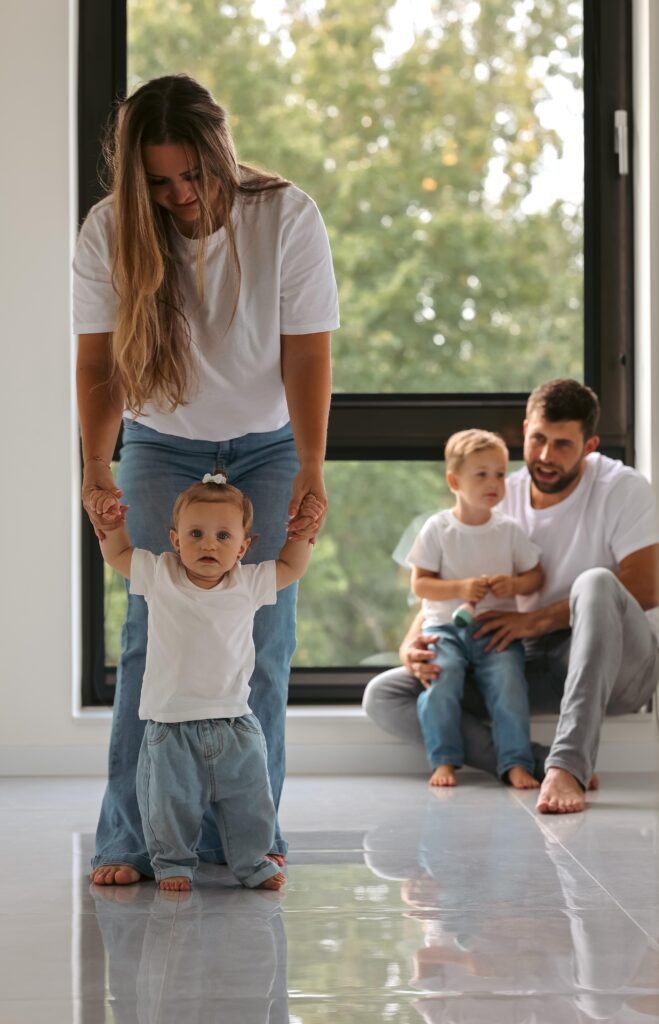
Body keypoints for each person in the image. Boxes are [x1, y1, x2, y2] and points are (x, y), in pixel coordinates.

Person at [74, 73, 339, 884]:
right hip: (160, 438)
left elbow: (305, 350)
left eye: (193, 175)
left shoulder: (284, 215)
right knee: (151, 636)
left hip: (266, 444)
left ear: (220, 154)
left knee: (263, 640)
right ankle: (128, 838)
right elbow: (97, 367)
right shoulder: (111, 229)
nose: (181, 196)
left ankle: (246, 839)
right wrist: (94, 465)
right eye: (159, 182)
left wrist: (310, 461)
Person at [363, 379, 659, 814]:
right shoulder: (501, 490)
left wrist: (535, 620)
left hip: (621, 667)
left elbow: (648, 585)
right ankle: (527, 760)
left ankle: (568, 766)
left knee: (595, 582)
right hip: (529, 658)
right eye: (538, 438)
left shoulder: (623, 488)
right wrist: (414, 640)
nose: (544, 455)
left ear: (590, 445)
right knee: (386, 696)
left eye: (562, 444)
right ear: (524, 429)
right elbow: (453, 575)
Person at [97, 473, 322, 891]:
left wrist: (303, 534)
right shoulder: (162, 574)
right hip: (170, 725)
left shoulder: (248, 582)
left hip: (235, 721)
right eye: (195, 533)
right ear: (175, 540)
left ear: (243, 546)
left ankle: (253, 862)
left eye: (223, 535)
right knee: (170, 805)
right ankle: (173, 863)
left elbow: (291, 566)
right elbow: (119, 554)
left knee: (251, 801)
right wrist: (110, 525)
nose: (208, 544)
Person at [408, 429, 543, 790]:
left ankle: (516, 762)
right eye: (481, 474)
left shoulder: (510, 531)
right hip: (443, 629)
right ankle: (444, 759)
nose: (494, 482)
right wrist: (462, 588)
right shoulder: (438, 528)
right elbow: (420, 584)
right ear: (454, 480)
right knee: (441, 677)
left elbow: (534, 576)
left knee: (509, 683)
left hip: (492, 629)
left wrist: (513, 585)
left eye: (499, 473)